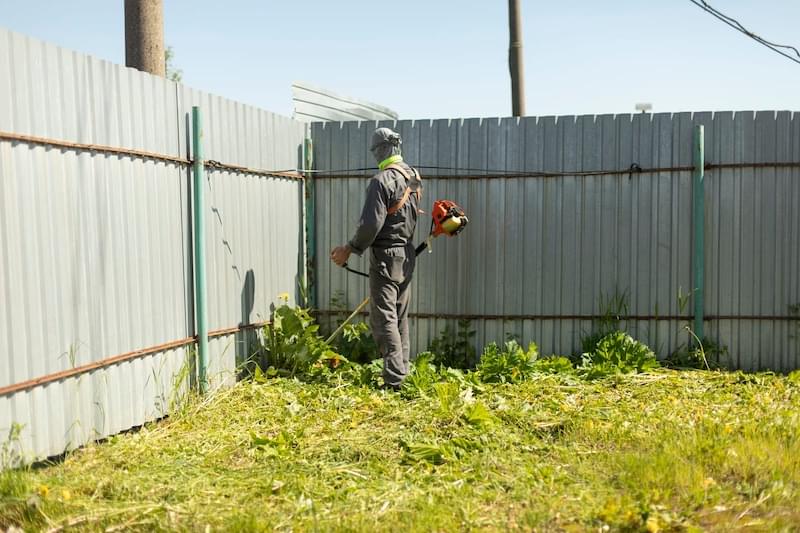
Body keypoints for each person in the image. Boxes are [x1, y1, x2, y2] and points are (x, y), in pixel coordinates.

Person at [330, 127, 421, 390]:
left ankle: (394, 381)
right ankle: (402, 374)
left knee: (384, 319)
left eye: (374, 150)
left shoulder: (381, 180)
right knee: (399, 316)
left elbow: (371, 224)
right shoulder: (413, 177)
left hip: (385, 257)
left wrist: (349, 248)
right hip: (407, 254)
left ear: (381, 149)